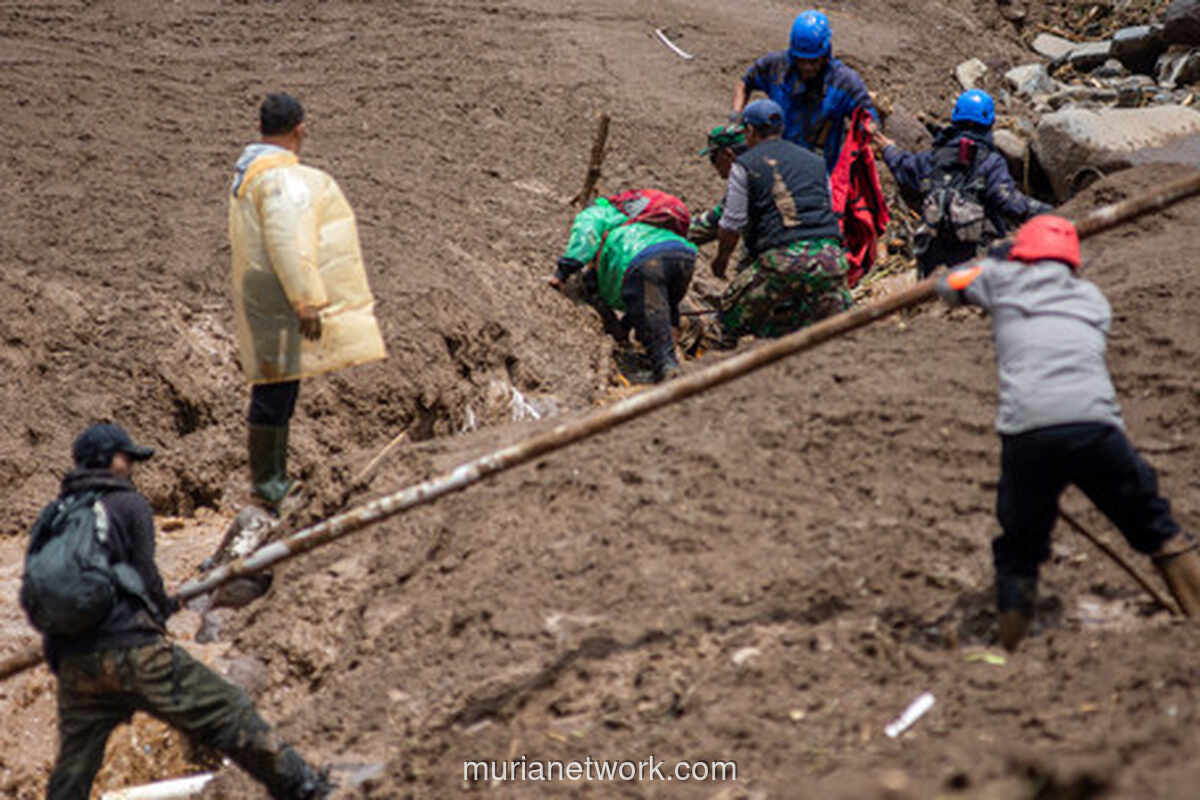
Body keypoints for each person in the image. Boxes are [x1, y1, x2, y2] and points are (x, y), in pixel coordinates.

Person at [26, 423, 332, 799]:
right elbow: (146, 577)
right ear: (111, 461)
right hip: (131, 650)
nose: (132, 467)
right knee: (227, 709)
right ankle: (306, 787)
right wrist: (166, 605)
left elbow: (36, 588)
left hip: (75, 663)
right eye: (127, 458)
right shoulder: (127, 504)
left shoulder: (54, 514)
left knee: (73, 770)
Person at [936, 216, 1200, 651]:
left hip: (1027, 432)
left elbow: (949, 284)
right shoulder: (1093, 299)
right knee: (1154, 522)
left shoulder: (1001, 280)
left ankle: (1009, 647)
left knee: (1020, 545)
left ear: (1023, 256)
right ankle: (1194, 611)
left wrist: (996, 261)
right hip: (1095, 427)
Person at [229, 92, 387, 512]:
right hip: (280, 295)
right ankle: (269, 483)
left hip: (261, 290)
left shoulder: (252, 172)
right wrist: (306, 300)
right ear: (300, 127)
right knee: (277, 388)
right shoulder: (279, 179)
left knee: (274, 383)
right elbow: (286, 241)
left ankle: (269, 479)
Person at [711, 99, 851, 342]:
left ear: (750, 131)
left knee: (729, 317)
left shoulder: (745, 165)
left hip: (783, 261)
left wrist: (720, 263)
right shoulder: (815, 161)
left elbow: (731, 225)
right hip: (832, 260)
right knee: (836, 328)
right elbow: (829, 208)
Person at [876, 89, 1052, 277]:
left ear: (955, 119)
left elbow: (904, 166)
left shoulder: (933, 158)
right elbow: (1009, 203)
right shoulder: (990, 162)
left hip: (932, 265)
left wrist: (888, 150)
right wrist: (1050, 212)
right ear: (989, 123)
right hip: (976, 263)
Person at [549, 190, 697, 382]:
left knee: (656, 342)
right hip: (683, 255)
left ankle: (668, 373)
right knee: (665, 308)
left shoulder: (598, 212)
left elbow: (585, 235)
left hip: (643, 259)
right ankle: (669, 359)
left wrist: (563, 272)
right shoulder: (633, 220)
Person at [732, 9, 878, 174]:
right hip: (777, 165)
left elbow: (868, 118)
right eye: (802, 61)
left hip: (819, 173)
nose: (807, 67)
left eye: (813, 61)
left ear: (826, 54)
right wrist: (736, 116)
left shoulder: (844, 82)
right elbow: (744, 83)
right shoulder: (776, 67)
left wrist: (867, 133)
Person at [688, 122, 749, 247]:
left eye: (713, 157)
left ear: (727, 154)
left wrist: (677, 229)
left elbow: (717, 220)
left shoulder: (744, 176)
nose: (713, 164)